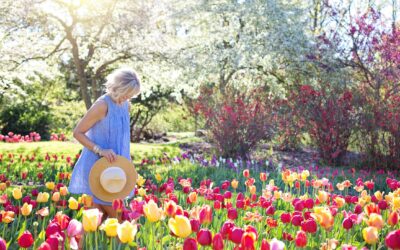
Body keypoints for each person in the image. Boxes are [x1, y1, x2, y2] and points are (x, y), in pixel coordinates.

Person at [69, 68, 140, 219]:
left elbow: (122, 140)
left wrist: (127, 163)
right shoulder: (102, 105)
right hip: (98, 169)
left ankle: (79, 243)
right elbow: (78, 132)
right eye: (126, 93)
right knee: (111, 222)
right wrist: (100, 150)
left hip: (116, 170)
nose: (127, 98)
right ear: (117, 87)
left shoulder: (126, 106)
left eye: (131, 95)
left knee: (101, 223)